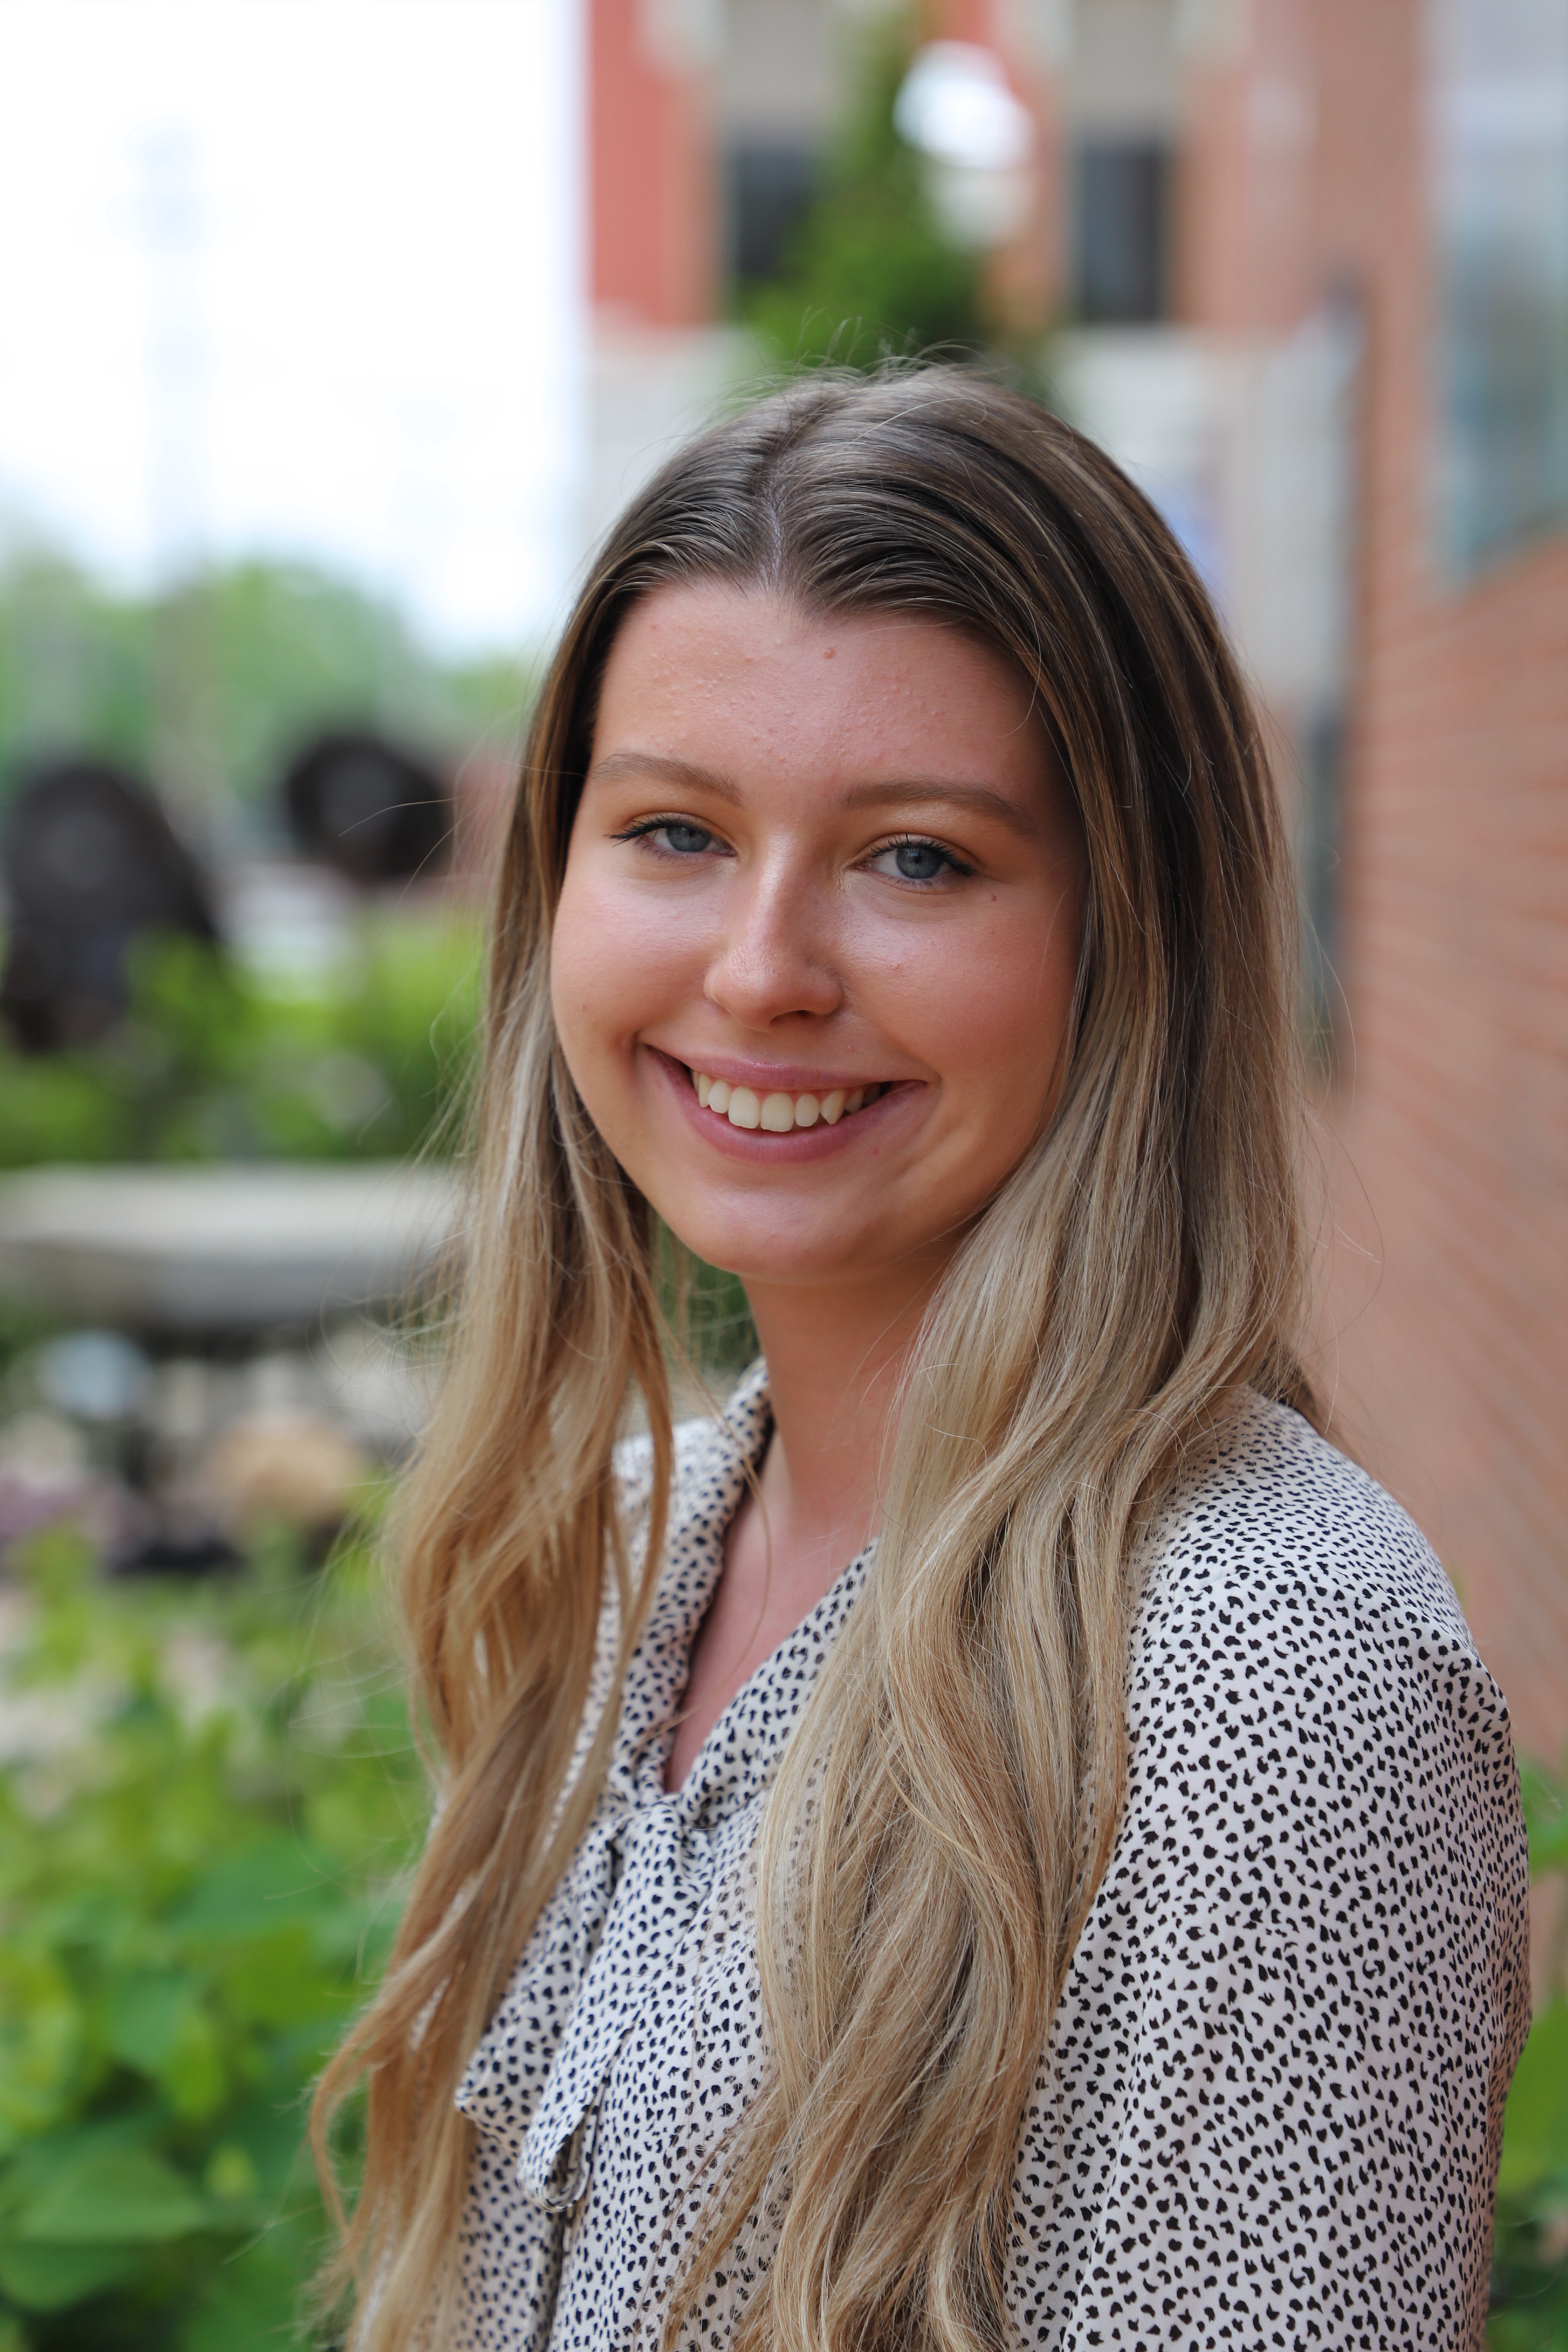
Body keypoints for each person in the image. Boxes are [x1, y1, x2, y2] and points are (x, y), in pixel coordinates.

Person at [314, 369, 1530, 2352]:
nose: (765, 969)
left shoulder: (1265, 1687)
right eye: (678, 832)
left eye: (921, 861)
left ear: (1129, 943)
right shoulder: (629, 1545)